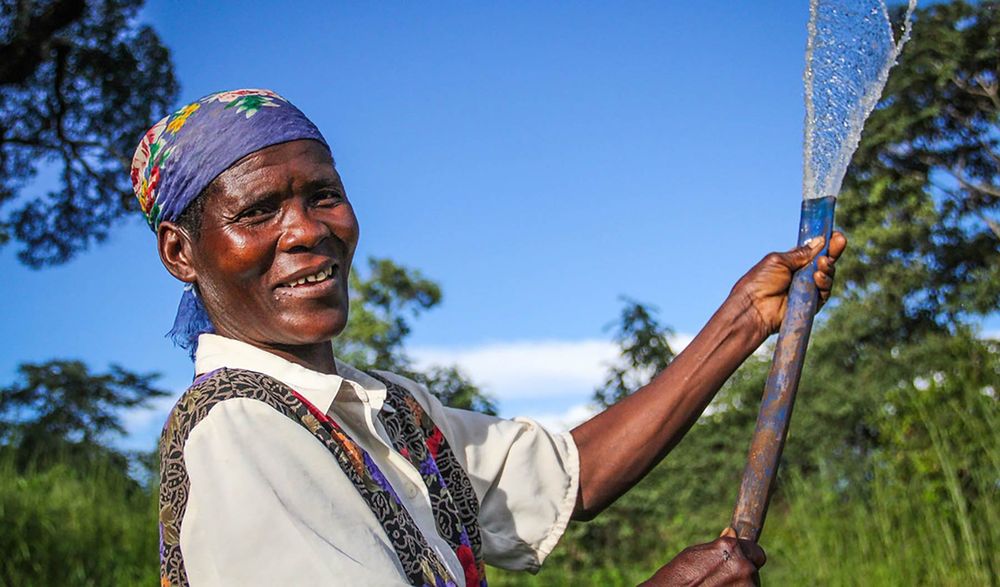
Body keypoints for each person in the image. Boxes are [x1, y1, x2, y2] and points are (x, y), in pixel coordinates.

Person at [137, 89, 845, 586]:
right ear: (181, 253)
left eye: (322, 195)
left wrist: (746, 316)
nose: (308, 230)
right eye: (259, 211)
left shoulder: (387, 408)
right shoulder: (240, 431)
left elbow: (573, 474)